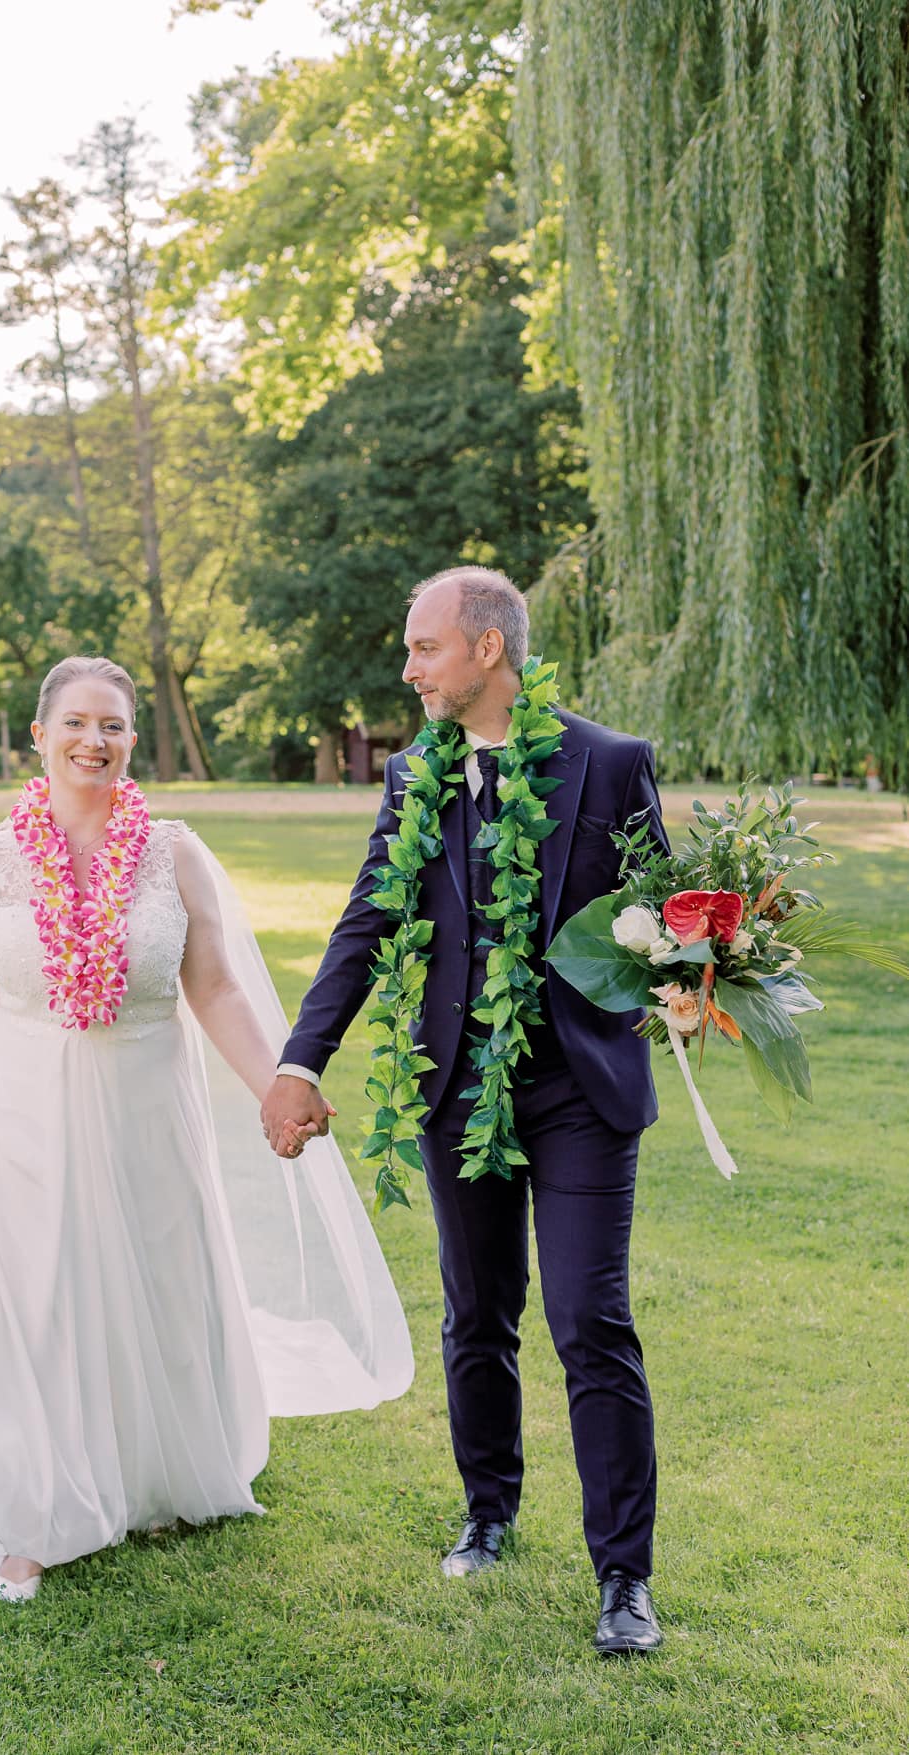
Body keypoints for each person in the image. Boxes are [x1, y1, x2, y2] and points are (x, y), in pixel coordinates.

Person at [0, 655, 412, 1603]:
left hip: (149, 1095)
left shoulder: (172, 851)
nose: (92, 740)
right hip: (25, 1102)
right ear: (38, 735)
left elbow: (218, 987)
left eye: (111, 724)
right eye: (73, 722)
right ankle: (34, 1510)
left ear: (132, 740)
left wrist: (280, 1084)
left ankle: (154, 1469)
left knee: (155, 1274)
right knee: (39, 1288)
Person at [261, 568, 667, 1656]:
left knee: (592, 1324)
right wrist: (301, 1060)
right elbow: (364, 923)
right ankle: (488, 1514)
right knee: (476, 1315)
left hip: (580, 1091)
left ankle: (624, 1578)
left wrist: (696, 968)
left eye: (424, 648)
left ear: (488, 649)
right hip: (459, 1089)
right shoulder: (415, 777)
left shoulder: (613, 763)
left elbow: (664, 913)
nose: (409, 668)